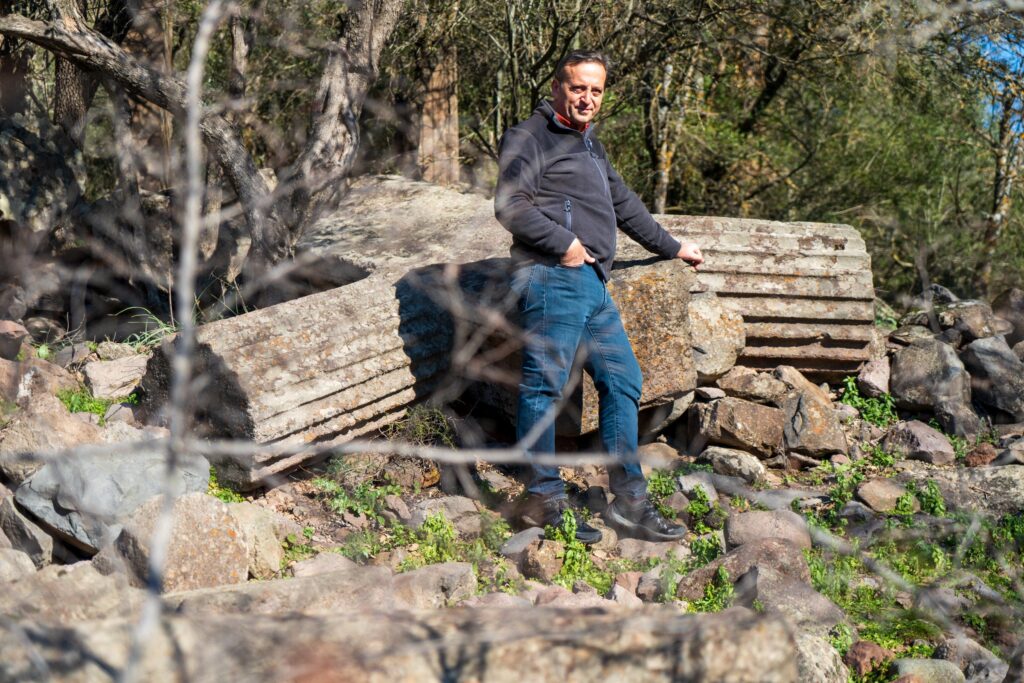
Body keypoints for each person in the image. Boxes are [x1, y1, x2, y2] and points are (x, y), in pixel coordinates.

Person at [494, 50, 704, 544]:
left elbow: (624, 204)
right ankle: (544, 500)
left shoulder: (591, 146)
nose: (587, 98)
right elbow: (510, 205)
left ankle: (629, 503)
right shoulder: (530, 136)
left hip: (591, 283)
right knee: (543, 386)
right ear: (556, 87)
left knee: (624, 379)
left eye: (596, 90)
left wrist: (673, 246)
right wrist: (565, 245)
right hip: (551, 274)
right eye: (577, 87)